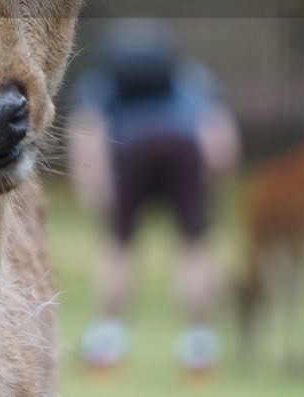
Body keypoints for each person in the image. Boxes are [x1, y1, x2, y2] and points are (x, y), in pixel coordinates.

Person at [67, 23, 240, 376]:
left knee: (118, 245)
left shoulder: (99, 81)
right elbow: (219, 133)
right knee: (194, 246)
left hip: (130, 150)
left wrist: (94, 186)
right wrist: (211, 180)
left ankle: (106, 341)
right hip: (184, 149)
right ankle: (199, 345)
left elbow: (87, 132)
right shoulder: (192, 76)